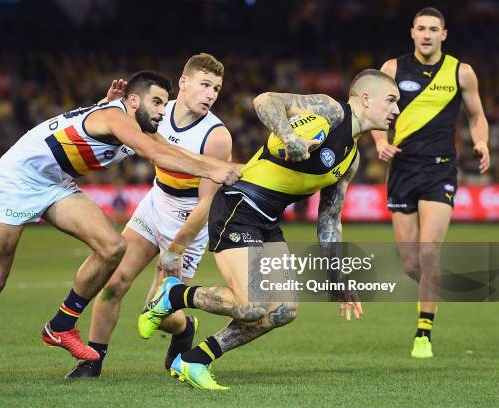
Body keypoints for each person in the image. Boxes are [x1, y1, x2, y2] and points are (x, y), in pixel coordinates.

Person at [0, 71, 241, 384]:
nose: (162, 110)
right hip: (17, 180)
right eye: (156, 102)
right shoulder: (119, 120)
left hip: (55, 183)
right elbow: (158, 153)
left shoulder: (137, 121)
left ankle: (61, 324)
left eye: (163, 103)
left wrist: (219, 168)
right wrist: (217, 169)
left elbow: (170, 150)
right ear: (133, 100)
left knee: (112, 247)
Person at [138, 69, 401, 390]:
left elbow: (329, 219)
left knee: (284, 310)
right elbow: (265, 101)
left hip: (267, 222)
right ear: (366, 99)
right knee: (251, 305)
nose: (396, 110)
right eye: (391, 100)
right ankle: (173, 293)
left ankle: (195, 359)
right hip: (238, 205)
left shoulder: (352, 159)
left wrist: (338, 277)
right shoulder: (331, 110)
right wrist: (290, 138)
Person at [66, 53, 233, 379]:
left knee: (159, 313)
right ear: (183, 83)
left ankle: (184, 330)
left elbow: (207, 205)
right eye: (205, 85)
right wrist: (107, 101)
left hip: (188, 222)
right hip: (156, 204)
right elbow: (108, 125)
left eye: (216, 88)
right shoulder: (158, 110)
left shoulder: (216, 136)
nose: (211, 94)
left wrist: (176, 249)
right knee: (113, 282)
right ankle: (92, 361)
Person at [370, 7, 490, 359]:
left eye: (433, 29)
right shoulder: (392, 69)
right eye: (421, 28)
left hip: (440, 171)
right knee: (411, 262)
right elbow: (374, 112)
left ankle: (424, 331)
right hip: (403, 171)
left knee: (429, 251)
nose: (426, 34)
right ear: (412, 32)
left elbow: (477, 115)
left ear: (444, 34)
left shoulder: (461, 72)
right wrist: (380, 142)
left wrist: (481, 142)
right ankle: (433, 283)